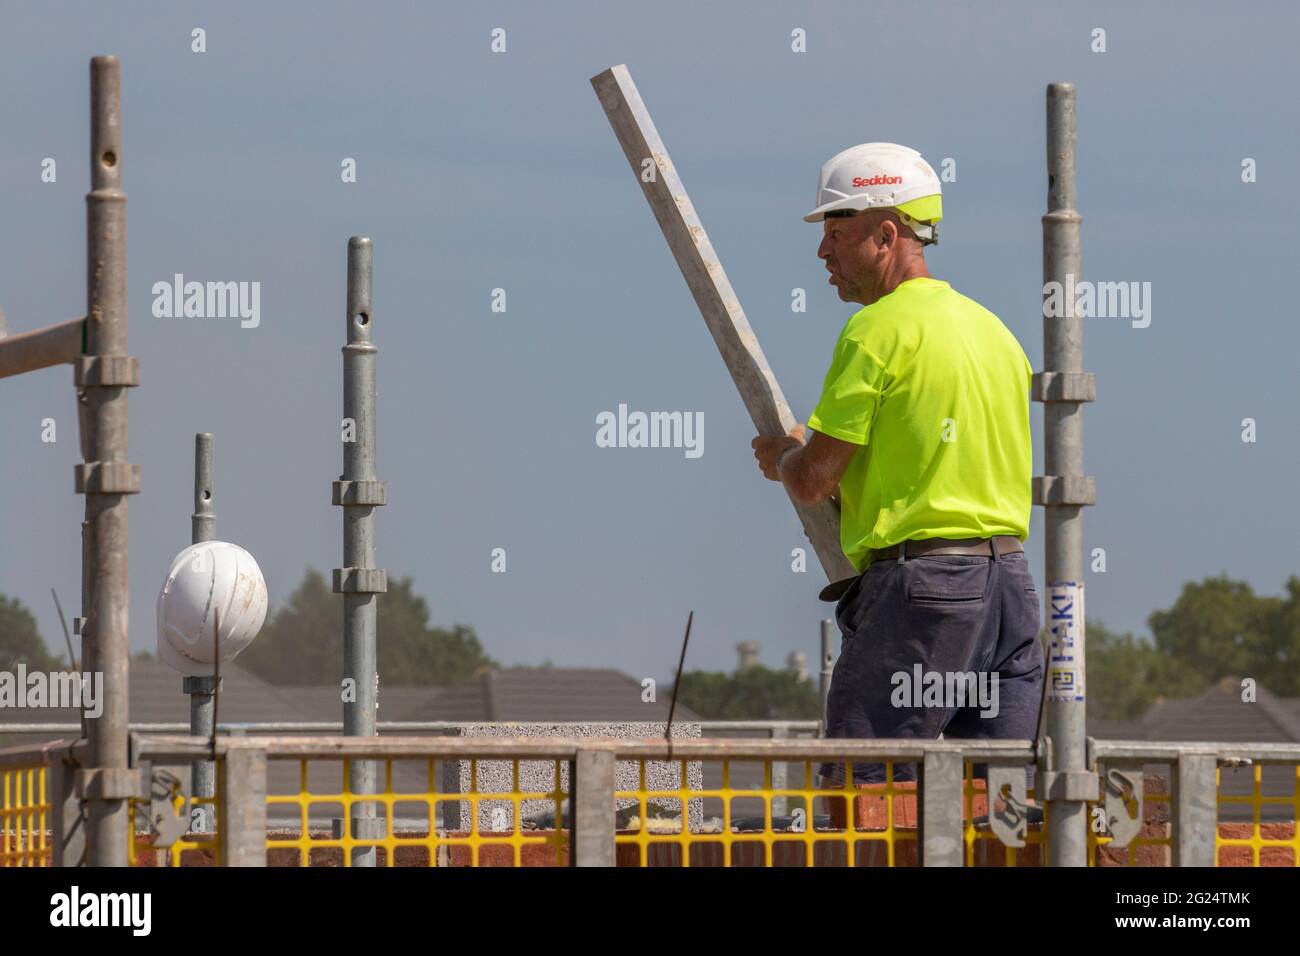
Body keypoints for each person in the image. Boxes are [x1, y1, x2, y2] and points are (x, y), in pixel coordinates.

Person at [751, 143, 1044, 821]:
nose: (822, 254)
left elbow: (815, 479)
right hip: (1009, 593)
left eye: (835, 233)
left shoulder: (876, 330)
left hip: (925, 593)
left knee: (864, 795)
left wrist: (786, 456)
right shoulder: (993, 331)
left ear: (887, 235)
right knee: (994, 812)